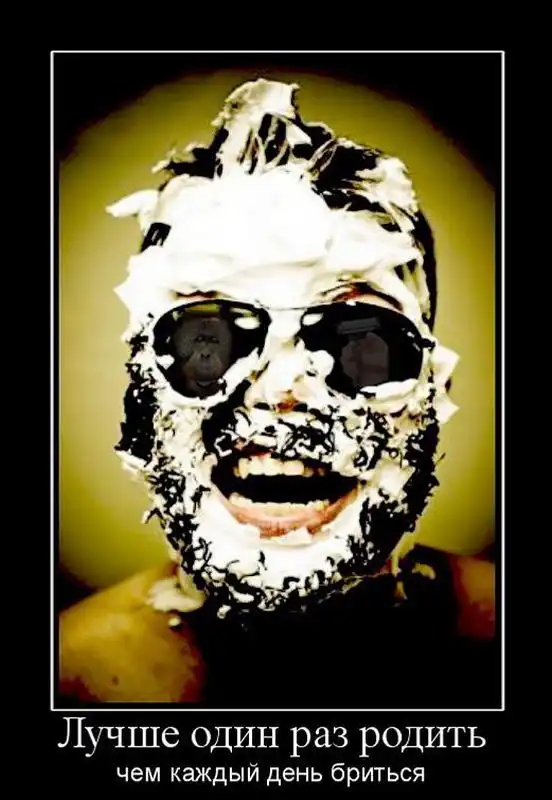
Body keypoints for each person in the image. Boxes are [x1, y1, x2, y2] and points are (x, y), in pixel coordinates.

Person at [59, 78, 496, 707]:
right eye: (207, 344)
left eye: (359, 344)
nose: (280, 391)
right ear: (142, 400)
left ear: (433, 391)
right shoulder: (70, 677)